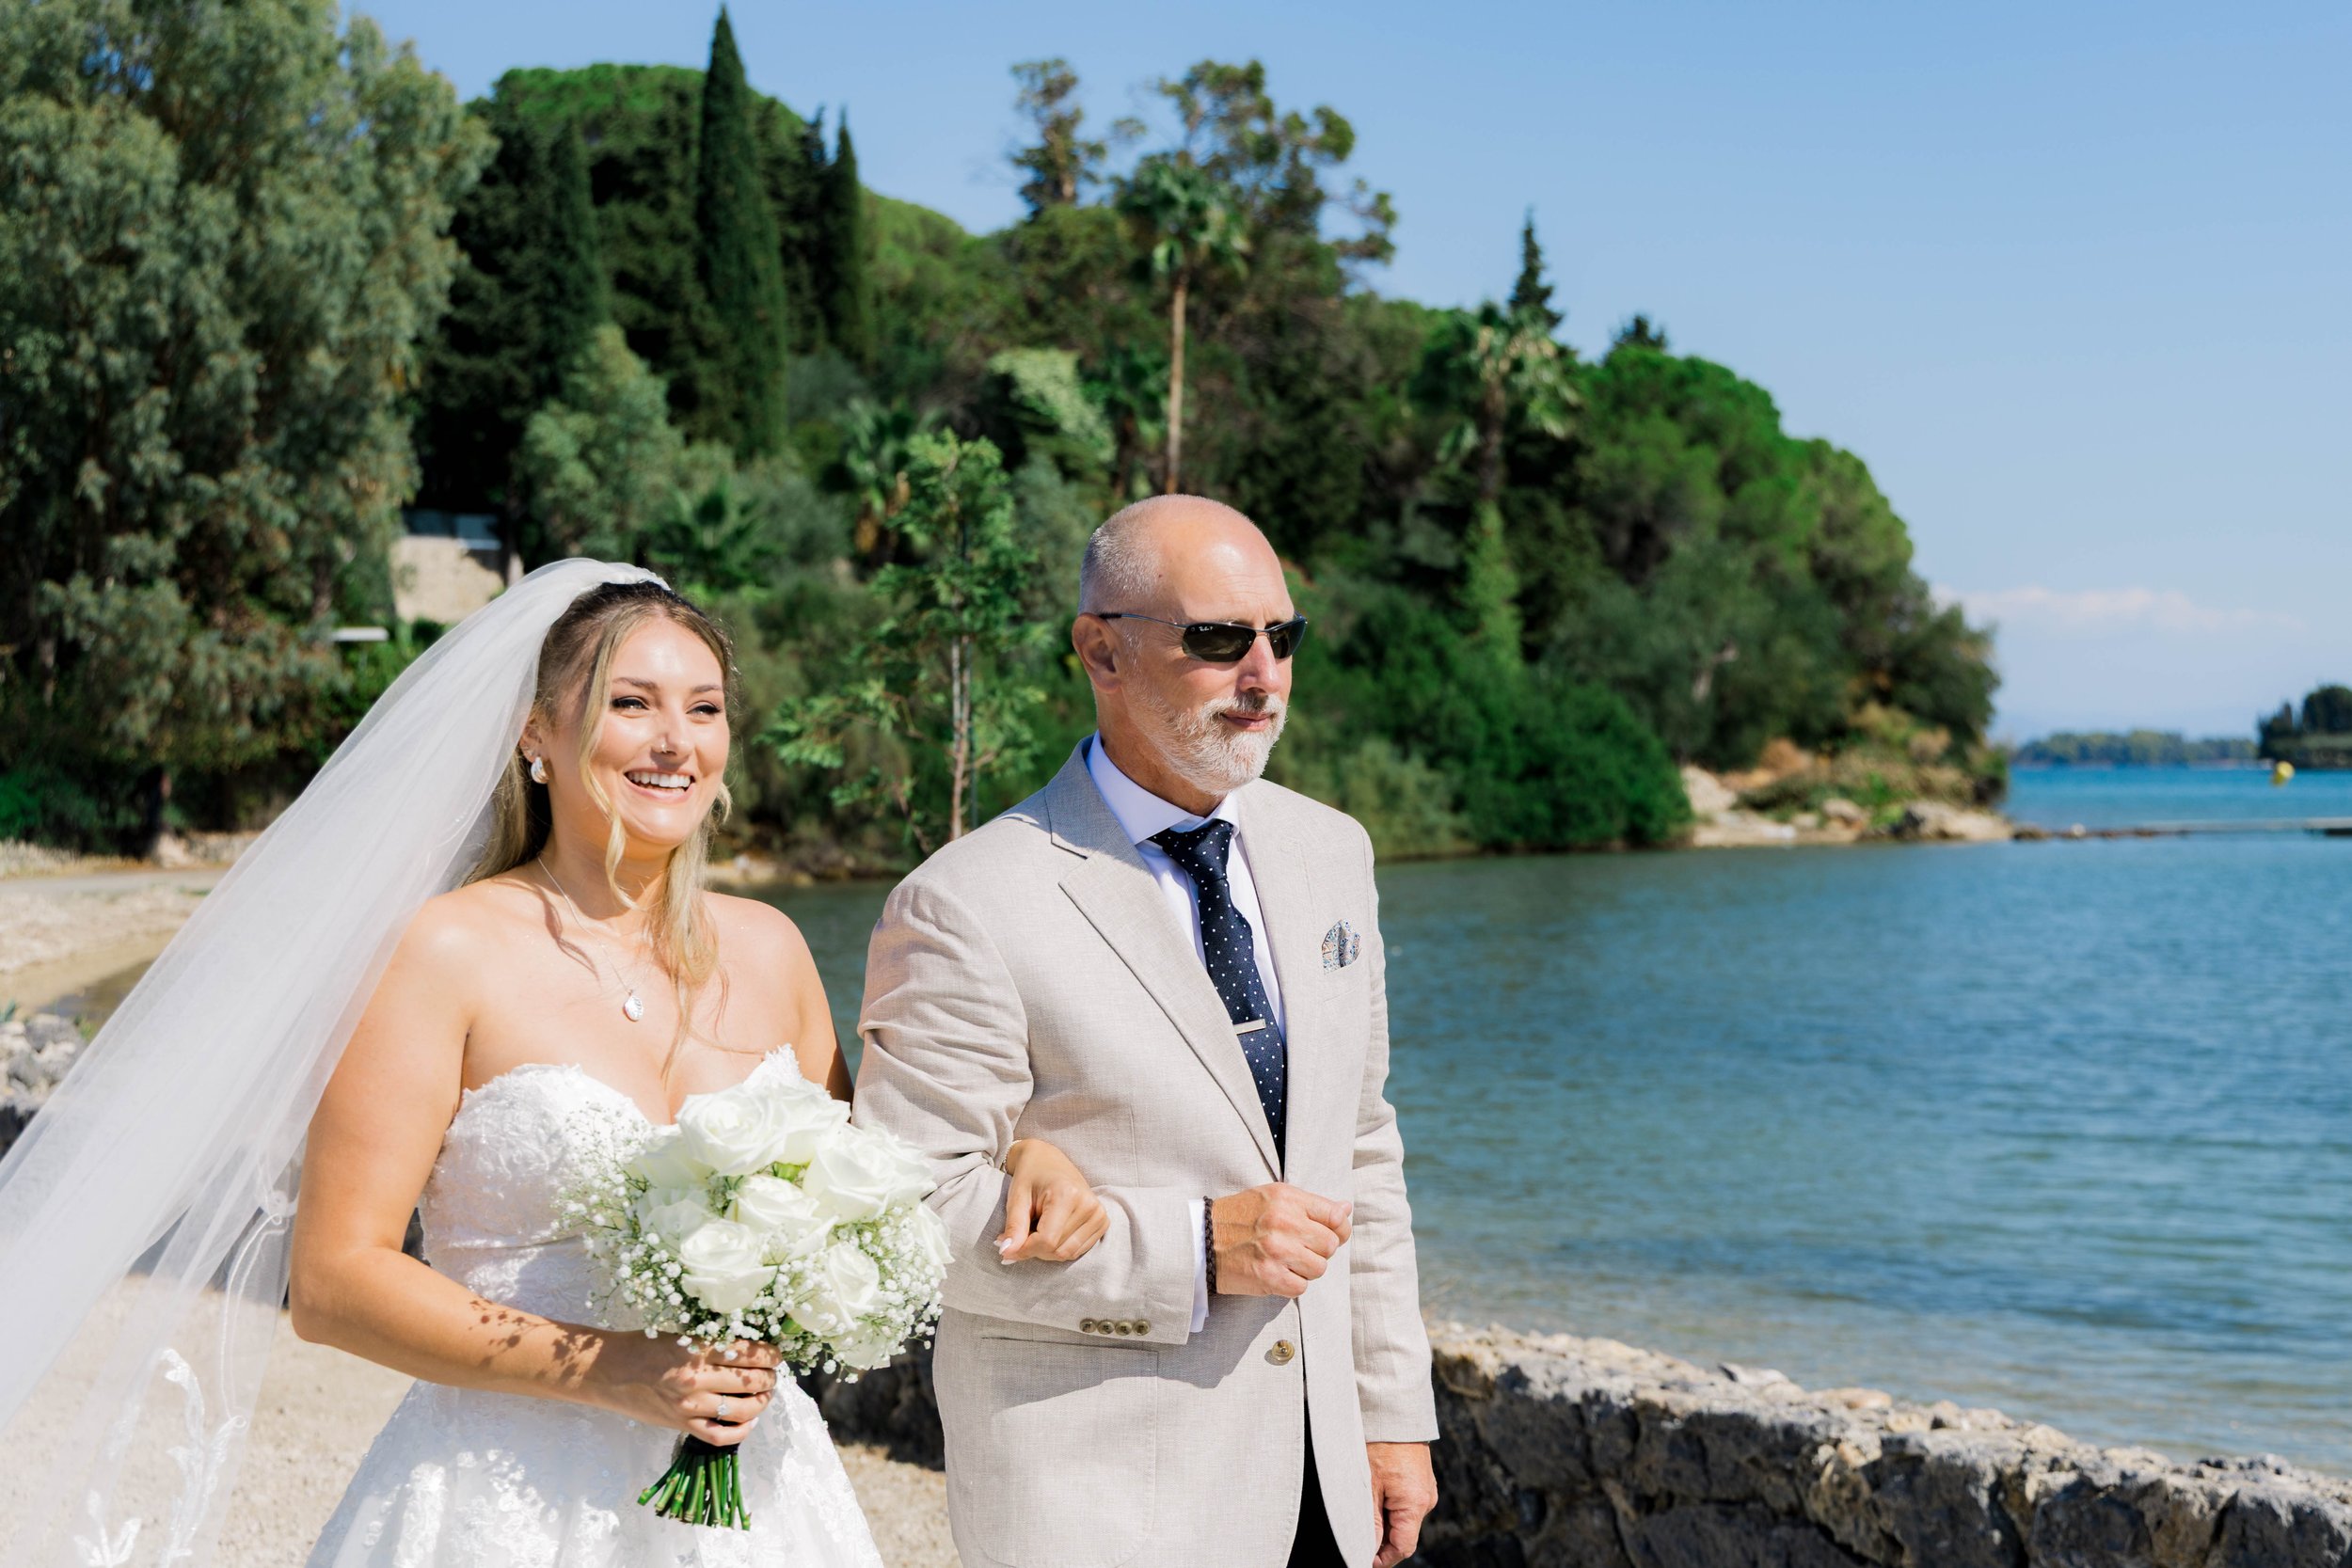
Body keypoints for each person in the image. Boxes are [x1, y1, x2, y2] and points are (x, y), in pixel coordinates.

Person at [0, 562, 1107, 1568]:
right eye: (633, 704)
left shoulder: (770, 949)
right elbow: (334, 1282)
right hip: (498, 1500)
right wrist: (613, 1366)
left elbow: (882, 1178)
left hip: (758, 1500)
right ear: (539, 732)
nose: (676, 739)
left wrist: (1026, 1150)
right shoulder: (445, 949)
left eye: (705, 708)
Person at [856, 495, 1440, 1568]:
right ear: (1101, 650)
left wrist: (1390, 1406)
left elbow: (1359, 1144)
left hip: (1321, 1480)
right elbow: (907, 1213)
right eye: (1218, 640)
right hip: (1099, 1496)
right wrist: (1197, 1247)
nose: (1262, 675)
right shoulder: (964, 900)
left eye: (1282, 636)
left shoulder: (1331, 851)